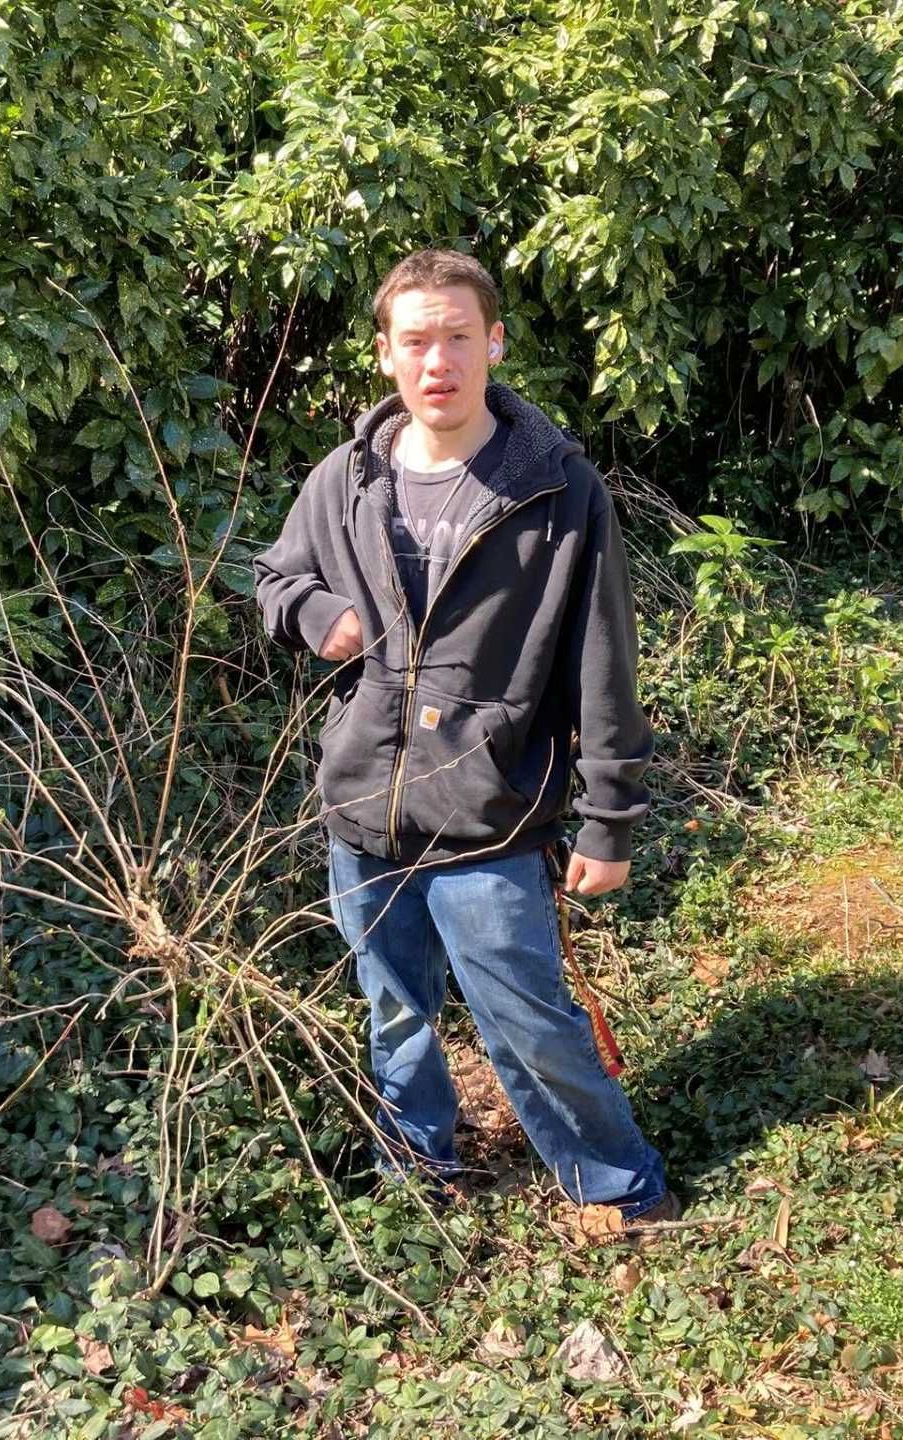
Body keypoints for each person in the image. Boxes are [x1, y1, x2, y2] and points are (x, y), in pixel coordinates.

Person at [253, 248, 677, 1226]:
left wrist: (609, 820)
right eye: (415, 341)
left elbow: (601, 662)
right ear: (386, 356)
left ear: (492, 341)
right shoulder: (344, 479)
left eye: (455, 336)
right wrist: (320, 620)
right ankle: (415, 1165)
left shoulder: (557, 492)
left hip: (489, 814)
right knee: (395, 1011)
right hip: (363, 808)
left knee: (528, 1019)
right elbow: (276, 578)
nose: (435, 360)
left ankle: (618, 1184)